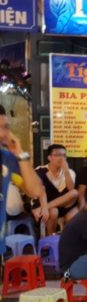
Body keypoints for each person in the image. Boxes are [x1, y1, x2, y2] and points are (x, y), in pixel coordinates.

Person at [0, 105, 43, 251]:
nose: (3, 134)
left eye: (5, 127)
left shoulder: (7, 158)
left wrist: (20, 153)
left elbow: (35, 191)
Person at [34, 144, 78, 236]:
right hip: (44, 202)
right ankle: (51, 237)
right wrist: (44, 207)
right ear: (49, 157)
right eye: (58, 155)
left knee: (74, 193)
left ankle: (64, 239)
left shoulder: (70, 172)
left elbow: (71, 189)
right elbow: (40, 190)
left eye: (64, 155)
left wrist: (65, 170)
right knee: (53, 212)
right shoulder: (41, 170)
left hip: (60, 205)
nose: (61, 158)